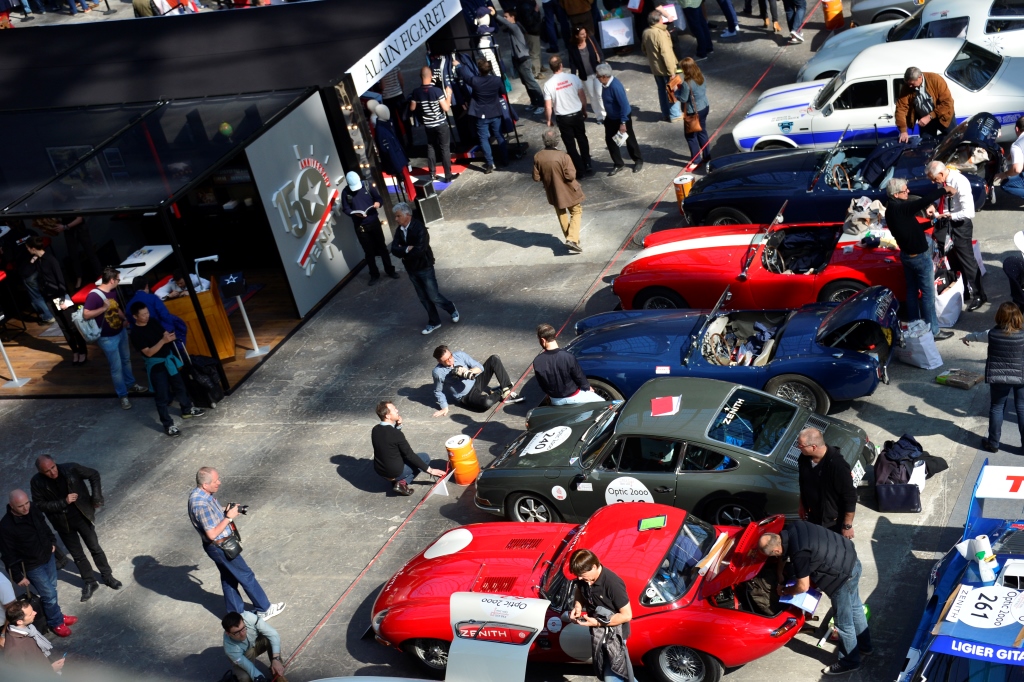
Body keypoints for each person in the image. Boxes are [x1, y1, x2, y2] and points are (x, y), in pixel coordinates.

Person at [759, 521, 871, 675]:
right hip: (851, 559)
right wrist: (780, 574)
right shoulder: (792, 527)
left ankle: (850, 661)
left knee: (843, 623)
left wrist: (786, 591)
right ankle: (866, 647)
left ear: (777, 549)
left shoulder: (799, 554)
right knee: (856, 607)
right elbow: (784, 555)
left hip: (842, 577)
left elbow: (803, 586)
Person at [187, 468, 285, 620]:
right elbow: (212, 534)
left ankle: (235, 614)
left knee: (229, 578)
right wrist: (229, 517)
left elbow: (212, 513)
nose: (219, 482)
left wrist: (226, 509)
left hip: (217, 547)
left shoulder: (200, 494)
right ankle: (264, 608)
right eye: (215, 481)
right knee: (246, 575)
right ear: (205, 485)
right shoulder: (200, 504)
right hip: (221, 547)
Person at [29, 456, 122, 602]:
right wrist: (63, 502)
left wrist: (96, 497)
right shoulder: (37, 482)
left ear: (55, 463)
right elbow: (39, 505)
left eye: (53, 467)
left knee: (95, 548)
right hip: (63, 524)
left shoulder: (70, 469)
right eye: (47, 471)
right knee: (77, 555)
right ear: (41, 472)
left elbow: (94, 474)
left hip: (82, 516)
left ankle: (107, 576)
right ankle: (90, 582)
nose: (53, 472)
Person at [884, 177, 955, 341]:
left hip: (907, 256)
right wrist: (945, 189)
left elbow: (913, 228)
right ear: (895, 194)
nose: (908, 192)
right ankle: (934, 331)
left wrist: (934, 221)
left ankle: (915, 324)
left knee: (911, 292)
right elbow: (924, 201)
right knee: (928, 296)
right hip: (919, 258)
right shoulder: (901, 209)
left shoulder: (893, 209)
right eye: (905, 190)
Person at [0, 490, 76, 638]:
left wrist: (52, 542)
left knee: (52, 590)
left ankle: (57, 615)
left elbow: (44, 526)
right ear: (11, 506)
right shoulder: (5, 526)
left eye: (27, 503)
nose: (25, 508)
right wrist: (18, 576)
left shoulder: (33, 508)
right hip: (32, 565)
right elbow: (8, 554)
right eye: (21, 506)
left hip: (47, 556)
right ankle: (56, 622)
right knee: (49, 594)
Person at [129, 301, 206, 437]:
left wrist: (170, 337)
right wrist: (163, 341)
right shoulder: (135, 333)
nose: (146, 316)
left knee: (179, 386)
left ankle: (187, 409)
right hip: (156, 365)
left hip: (168, 359)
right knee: (162, 395)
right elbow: (148, 352)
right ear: (135, 317)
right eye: (143, 315)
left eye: (147, 313)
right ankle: (168, 424)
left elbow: (164, 334)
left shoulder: (152, 321)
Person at [82, 267, 148, 409]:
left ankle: (131, 385)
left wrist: (124, 318)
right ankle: (123, 395)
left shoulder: (112, 291)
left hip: (120, 331)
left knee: (126, 359)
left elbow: (116, 308)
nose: (119, 281)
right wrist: (103, 308)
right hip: (107, 337)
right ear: (112, 280)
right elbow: (86, 314)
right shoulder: (94, 295)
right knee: (116, 367)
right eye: (118, 279)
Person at [389, 203, 459, 335]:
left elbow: (420, 250)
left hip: (424, 267)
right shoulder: (399, 231)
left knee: (433, 295)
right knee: (423, 297)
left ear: (407, 215)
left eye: (398, 216)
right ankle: (434, 321)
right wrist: (406, 249)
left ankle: (451, 308)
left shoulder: (420, 229)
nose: (396, 219)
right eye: (396, 216)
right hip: (411, 269)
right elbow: (393, 249)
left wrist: (404, 253)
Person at [963, 303, 1024, 453]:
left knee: (997, 408)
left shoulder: (991, 333)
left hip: (998, 377)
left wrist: (966, 337)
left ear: (999, 317)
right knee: (1022, 408)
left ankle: (993, 443)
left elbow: (977, 336)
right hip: (1021, 376)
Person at [927, 160, 985, 310]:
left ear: (940, 173)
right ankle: (963, 289)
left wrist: (948, 216)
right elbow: (940, 199)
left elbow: (968, 212)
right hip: (947, 224)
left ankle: (979, 294)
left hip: (959, 225)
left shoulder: (959, 181)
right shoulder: (943, 181)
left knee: (967, 260)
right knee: (953, 260)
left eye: (934, 179)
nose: (934, 183)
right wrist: (933, 206)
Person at [568, 549, 634, 682]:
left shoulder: (613, 583)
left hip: (615, 635)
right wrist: (578, 607)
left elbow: (627, 615)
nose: (579, 578)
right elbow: (580, 592)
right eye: (577, 575)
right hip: (598, 632)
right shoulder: (585, 579)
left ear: (594, 567)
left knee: (614, 675)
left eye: (581, 574)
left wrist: (597, 623)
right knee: (611, 670)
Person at [25, 236, 87, 365]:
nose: (27, 250)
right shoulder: (38, 260)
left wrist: (63, 299)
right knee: (63, 326)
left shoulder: (51, 260)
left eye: (28, 248)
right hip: (49, 297)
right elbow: (32, 271)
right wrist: (33, 260)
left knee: (71, 325)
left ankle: (83, 351)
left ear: (33, 248)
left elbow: (61, 281)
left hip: (60, 296)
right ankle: (74, 351)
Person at [371, 401, 446, 496]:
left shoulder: (375, 429)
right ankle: (402, 482)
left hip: (381, 472)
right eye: (394, 410)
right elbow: (410, 455)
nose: (397, 410)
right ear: (388, 416)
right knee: (424, 458)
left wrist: (398, 426)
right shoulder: (396, 434)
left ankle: (397, 481)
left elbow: (389, 440)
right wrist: (430, 470)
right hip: (395, 472)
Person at [795, 428, 857, 538]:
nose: (798, 447)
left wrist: (847, 526)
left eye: (801, 445)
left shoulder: (838, 466)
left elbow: (850, 497)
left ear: (813, 447)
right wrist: (801, 505)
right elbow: (802, 483)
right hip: (813, 516)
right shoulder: (804, 458)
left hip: (832, 522)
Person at [340, 172, 399, 284]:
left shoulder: (367, 185)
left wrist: (377, 204)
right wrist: (354, 213)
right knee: (368, 252)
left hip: (374, 222)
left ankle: (390, 270)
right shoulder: (345, 192)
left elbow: (379, 199)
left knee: (382, 248)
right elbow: (345, 208)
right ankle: (374, 274)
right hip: (360, 226)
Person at [533, 130, 587, 254]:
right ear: (557, 141)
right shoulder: (563, 156)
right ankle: (572, 239)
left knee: (561, 213)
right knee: (576, 211)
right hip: (568, 190)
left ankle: (571, 238)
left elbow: (536, 177)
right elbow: (570, 175)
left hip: (552, 191)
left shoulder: (538, 156)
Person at [431, 345, 523, 417]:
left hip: (476, 381)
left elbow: (480, 367)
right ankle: (500, 393)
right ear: (440, 361)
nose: (451, 360)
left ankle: (507, 389)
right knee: (486, 403)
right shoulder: (438, 372)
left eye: (450, 356)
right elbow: (438, 391)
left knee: (494, 359)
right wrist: (444, 407)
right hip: (466, 395)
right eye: (446, 360)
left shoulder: (459, 355)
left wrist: (468, 372)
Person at [493, 6, 546, 116]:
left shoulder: (515, 27)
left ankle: (541, 104)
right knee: (526, 83)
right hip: (518, 59)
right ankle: (534, 102)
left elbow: (507, 24)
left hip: (523, 60)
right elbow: (503, 26)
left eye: (506, 17)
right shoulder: (511, 28)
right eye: (503, 17)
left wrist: (495, 15)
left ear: (513, 17)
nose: (505, 18)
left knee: (531, 82)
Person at [543, 56, 592, 176]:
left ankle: (579, 170)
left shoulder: (548, 84)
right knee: (582, 138)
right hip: (577, 114)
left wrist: (549, 120)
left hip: (563, 118)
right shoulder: (573, 78)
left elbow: (548, 106)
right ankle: (588, 164)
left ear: (551, 68)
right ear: (561, 65)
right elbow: (582, 96)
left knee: (570, 145)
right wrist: (584, 110)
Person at [534, 323, 605, 403]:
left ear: (543, 340)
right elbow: (579, 377)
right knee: (604, 403)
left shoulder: (538, 361)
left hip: (555, 400)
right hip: (574, 397)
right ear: (555, 336)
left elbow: (542, 384)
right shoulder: (567, 356)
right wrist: (588, 388)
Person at [410, 66, 458, 184]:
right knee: (444, 148)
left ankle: (432, 173)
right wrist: (449, 94)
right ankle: (447, 175)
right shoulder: (436, 91)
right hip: (440, 124)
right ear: (431, 76)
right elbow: (446, 108)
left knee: (431, 147)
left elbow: (412, 108)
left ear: (421, 77)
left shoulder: (416, 92)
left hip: (428, 125)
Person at [595, 64, 643, 176]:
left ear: (605, 76)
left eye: (598, 76)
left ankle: (638, 160)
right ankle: (618, 164)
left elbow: (625, 106)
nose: (597, 78)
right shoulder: (605, 84)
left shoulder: (615, 87)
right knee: (610, 141)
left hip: (622, 118)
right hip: (611, 117)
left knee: (629, 140)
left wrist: (623, 122)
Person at [466, 59, 510, 175]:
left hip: (481, 115)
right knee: (499, 135)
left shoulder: (475, 80)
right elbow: (503, 91)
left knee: (483, 138)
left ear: (479, 69)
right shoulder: (496, 80)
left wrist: (459, 65)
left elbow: (464, 75)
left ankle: (490, 163)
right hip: (495, 112)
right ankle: (505, 159)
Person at [222, 611, 289, 682]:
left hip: (255, 645)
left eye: (243, 628)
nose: (242, 634)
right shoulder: (230, 648)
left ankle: (277, 673)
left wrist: (276, 659)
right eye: (237, 632)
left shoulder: (249, 617)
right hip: (243, 656)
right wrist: (260, 678)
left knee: (269, 638)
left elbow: (273, 634)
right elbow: (250, 668)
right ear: (228, 633)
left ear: (243, 621)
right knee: (245, 678)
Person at [641, 11, 683, 122]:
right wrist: (671, 71)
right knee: (671, 90)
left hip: (655, 68)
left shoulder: (646, 32)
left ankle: (665, 113)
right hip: (665, 68)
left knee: (661, 90)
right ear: (659, 20)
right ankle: (675, 114)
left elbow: (644, 49)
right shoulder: (660, 33)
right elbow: (666, 53)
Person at [3, 602, 67, 674]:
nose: (35, 613)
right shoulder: (15, 649)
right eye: (30, 614)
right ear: (20, 621)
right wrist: (51, 670)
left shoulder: (27, 629)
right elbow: (21, 676)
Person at [896, 67, 955, 143]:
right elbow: (900, 109)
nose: (910, 86)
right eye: (908, 84)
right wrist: (903, 131)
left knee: (953, 141)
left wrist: (930, 116)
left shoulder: (936, 80)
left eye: (912, 84)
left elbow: (947, 103)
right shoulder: (907, 87)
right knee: (926, 146)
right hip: (924, 120)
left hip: (943, 116)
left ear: (920, 77)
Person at [128, 275, 188, 341]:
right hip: (161, 332)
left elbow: (132, 324)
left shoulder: (128, 305)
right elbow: (164, 315)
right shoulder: (152, 298)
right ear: (146, 286)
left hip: (145, 337)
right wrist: (171, 329)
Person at [676, 57, 711, 166]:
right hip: (704, 106)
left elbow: (683, 99)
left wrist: (676, 92)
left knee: (690, 136)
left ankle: (696, 160)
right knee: (702, 132)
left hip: (693, 112)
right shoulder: (701, 77)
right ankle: (707, 156)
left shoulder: (687, 83)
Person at [567, 25, 605, 123]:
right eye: (582, 34)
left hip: (597, 72)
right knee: (592, 96)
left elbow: (599, 52)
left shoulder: (590, 39)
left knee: (599, 95)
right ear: (576, 36)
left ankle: (604, 115)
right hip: (585, 75)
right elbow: (572, 62)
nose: (585, 35)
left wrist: (602, 63)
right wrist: (573, 76)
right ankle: (599, 116)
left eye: (585, 33)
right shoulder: (572, 46)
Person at [994, 115, 1024, 200]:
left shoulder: (1017, 145)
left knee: (1005, 184)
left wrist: (1004, 174)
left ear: (1017, 129)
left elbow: (1017, 169)